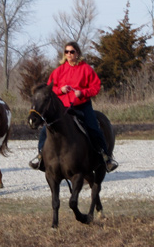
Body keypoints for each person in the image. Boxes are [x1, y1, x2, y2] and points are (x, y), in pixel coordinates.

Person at [28, 41, 118, 172]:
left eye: (72, 52)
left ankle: (106, 158)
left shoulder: (86, 69)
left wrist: (82, 93)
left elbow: (96, 87)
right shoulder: (58, 71)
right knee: (45, 130)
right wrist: (60, 90)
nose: (69, 54)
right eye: (67, 52)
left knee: (93, 128)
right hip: (63, 108)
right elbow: (49, 90)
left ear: (77, 53)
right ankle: (40, 157)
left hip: (82, 105)